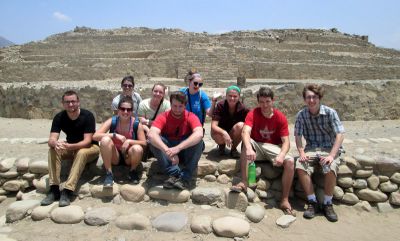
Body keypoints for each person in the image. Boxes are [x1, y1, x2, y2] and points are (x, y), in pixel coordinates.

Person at [231, 87, 295, 216]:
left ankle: (284, 199)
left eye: (267, 101)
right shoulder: (253, 113)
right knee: (246, 144)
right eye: (261, 102)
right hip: (257, 145)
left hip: (272, 147)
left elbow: (286, 141)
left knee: (290, 162)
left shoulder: (280, 117)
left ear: (273, 101)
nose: (264, 105)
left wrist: (282, 155)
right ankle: (244, 182)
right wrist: (249, 147)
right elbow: (245, 131)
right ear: (258, 102)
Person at [294, 84, 345, 222]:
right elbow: (297, 136)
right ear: (304, 99)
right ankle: (312, 202)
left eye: (314, 97)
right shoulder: (301, 115)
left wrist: (331, 155)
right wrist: (301, 152)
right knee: (300, 164)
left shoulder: (330, 112)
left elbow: (340, 135)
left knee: (330, 166)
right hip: (311, 149)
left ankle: (328, 203)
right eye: (308, 97)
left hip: (329, 149)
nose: (311, 100)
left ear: (319, 98)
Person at [41, 90, 100, 207]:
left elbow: (87, 141)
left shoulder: (87, 116)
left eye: (73, 101)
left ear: (78, 102)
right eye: (67, 102)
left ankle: (68, 190)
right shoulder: (59, 117)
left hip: (90, 148)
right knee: (53, 149)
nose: (70, 104)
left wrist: (71, 146)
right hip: (71, 147)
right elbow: (51, 139)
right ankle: (54, 189)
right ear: (63, 103)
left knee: (81, 152)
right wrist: (55, 143)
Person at [148, 91, 203, 190]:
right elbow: (151, 134)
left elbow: (199, 133)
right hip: (169, 150)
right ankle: (174, 174)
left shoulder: (191, 116)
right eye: (175, 106)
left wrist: (178, 148)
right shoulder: (163, 116)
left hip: (185, 150)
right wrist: (168, 151)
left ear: (185, 105)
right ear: (170, 104)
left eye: (180, 106)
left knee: (199, 141)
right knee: (152, 141)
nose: (177, 109)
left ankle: (185, 177)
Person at [93, 96, 146, 187]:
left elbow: (144, 143)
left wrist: (129, 141)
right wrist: (114, 135)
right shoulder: (112, 121)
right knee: (105, 140)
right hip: (115, 156)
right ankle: (109, 173)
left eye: (128, 109)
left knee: (137, 148)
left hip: (129, 156)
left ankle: (132, 171)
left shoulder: (136, 124)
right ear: (118, 110)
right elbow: (95, 136)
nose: (125, 112)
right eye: (123, 109)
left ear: (132, 111)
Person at [211, 85, 249, 157]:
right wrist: (224, 132)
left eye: (235, 96)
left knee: (241, 125)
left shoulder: (243, 108)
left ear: (239, 97)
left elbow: (249, 123)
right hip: (221, 133)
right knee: (216, 133)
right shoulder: (220, 106)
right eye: (230, 96)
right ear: (226, 96)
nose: (232, 98)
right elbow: (213, 125)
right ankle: (221, 146)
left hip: (233, 133)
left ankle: (233, 149)